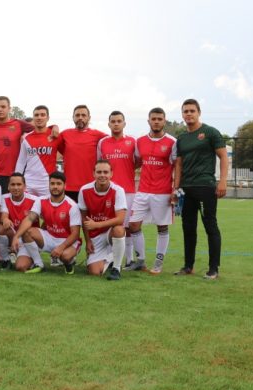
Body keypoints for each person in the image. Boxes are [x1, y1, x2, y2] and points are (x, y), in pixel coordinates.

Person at [172, 99, 228, 280]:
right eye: (185, 111)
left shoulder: (210, 132)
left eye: (192, 111)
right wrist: (176, 188)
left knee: (210, 227)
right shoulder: (181, 138)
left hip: (205, 187)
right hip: (186, 190)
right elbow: (179, 164)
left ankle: (214, 269)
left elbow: (223, 157)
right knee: (188, 228)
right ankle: (188, 266)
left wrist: (223, 181)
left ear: (199, 112)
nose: (189, 114)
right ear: (182, 114)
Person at [128, 108, 177, 274]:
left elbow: (177, 166)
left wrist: (175, 189)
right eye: (153, 119)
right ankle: (140, 261)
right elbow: (137, 162)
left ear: (164, 121)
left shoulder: (172, 142)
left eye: (159, 119)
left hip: (162, 192)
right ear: (148, 121)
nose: (156, 121)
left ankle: (158, 262)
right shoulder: (140, 141)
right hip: (142, 191)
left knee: (162, 227)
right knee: (133, 224)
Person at [11, 171, 81, 275]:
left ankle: (69, 263)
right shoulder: (41, 200)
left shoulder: (72, 205)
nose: (55, 186)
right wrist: (16, 236)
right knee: (27, 233)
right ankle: (39, 264)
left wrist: (61, 248)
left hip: (66, 240)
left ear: (65, 186)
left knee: (65, 256)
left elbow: (75, 234)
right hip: (49, 237)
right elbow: (29, 219)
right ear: (48, 185)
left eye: (58, 184)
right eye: (52, 183)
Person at [97, 110, 141, 269]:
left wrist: (127, 169)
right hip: (108, 191)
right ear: (109, 124)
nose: (116, 124)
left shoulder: (132, 141)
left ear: (124, 123)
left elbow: (139, 161)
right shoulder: (102, 142)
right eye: (113, 121)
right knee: (110, 226)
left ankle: (129, 259)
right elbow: (99, 164)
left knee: (127, 226)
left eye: (119, 121)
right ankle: (111, 259)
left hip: (128, 190)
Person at [78, 160, 127, 280]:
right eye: (99, 172)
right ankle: (111, 258)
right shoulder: (84, 190)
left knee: (119, 230)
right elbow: (84, 219)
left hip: (110, 231)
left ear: (111, 174)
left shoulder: (118, 190)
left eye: (105, 172)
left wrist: (97, 225)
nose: (102, 175)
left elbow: (120, 219)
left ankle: (116, 268)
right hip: (95, 235)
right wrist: (88, 241)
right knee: (94, 272)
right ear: (93, 173)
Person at [58, 105, 107, 202]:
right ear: (73, 117)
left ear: (89, 118)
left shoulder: (98, 135)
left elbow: (114, 141)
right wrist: (53, 127)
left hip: (91, 187)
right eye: (77, 115)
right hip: (69, 187)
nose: (80, 117)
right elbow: (50, 139)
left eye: (83, 115)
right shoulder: (65, 134)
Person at [0, 96, 34, 193]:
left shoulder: (18, 124)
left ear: (9, 109)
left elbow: (39, 128)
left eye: (3, 107)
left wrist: (54, 127)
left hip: (12, 176)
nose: (0, 109)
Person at [15, 105, 61, 197]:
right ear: (33, 117)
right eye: (36, 115)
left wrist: (55, 126)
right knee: (27, 206)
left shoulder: (55, 136)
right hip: (29, 182)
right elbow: (21, 161)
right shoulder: (25, 138)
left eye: (42, 115)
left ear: (48, 118)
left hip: (47, 183)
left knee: (46, 206)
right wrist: (17, 179)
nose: (39, 117)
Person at [0, 173, 40, 270]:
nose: (16, 187)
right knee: (1, 228)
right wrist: (5, 219)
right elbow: (4, 214)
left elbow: (43, 219)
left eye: (19, 184)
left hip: (27, 239)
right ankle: (6, 259)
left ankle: (32, 257)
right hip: (12, 236)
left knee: (21, 266)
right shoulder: (3, 198)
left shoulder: (35, 200)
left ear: (25, 186)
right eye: (13, 184)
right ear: (8, 186)